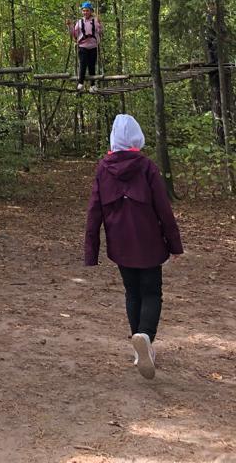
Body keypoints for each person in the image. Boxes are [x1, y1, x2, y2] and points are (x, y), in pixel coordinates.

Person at [84, 114, 183, 380]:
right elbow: (163, 207)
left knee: (132, 293)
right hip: (150, 242)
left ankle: (140, 347)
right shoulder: (147, 166)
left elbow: (94, 211)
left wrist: (91, 251)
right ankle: (145, 337)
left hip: (121, 244)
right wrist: (174, 244)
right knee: (151, 293)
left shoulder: (103, 169)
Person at [68, 1, 103, 91]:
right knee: (83, 64)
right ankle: (80, 83)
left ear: (91, 11)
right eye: (84, 11)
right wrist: (70, 26)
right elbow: (74, 34)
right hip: (82, 47)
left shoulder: (95, 21)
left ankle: (92, 85)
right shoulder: (79, 22)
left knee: (92, 66)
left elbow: (100, 32)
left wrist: (100, 24)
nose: (85, 12)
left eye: (87, 10)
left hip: (93, 47)